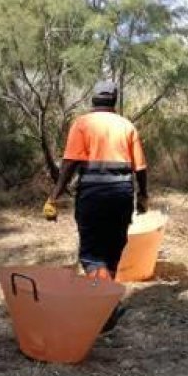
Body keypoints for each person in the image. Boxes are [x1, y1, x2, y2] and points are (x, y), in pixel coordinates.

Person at [45, 80, 149, 331]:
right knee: (112, 250)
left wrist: (54, 196)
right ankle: (106, 309)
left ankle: (104, 310)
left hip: (92, 195)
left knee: (92, 254)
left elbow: (70, 164)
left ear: (93, 100)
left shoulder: (82, 124)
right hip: (122, 195)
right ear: (114, 99)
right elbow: (141, 168)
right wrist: (143, 197)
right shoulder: (126, 126)